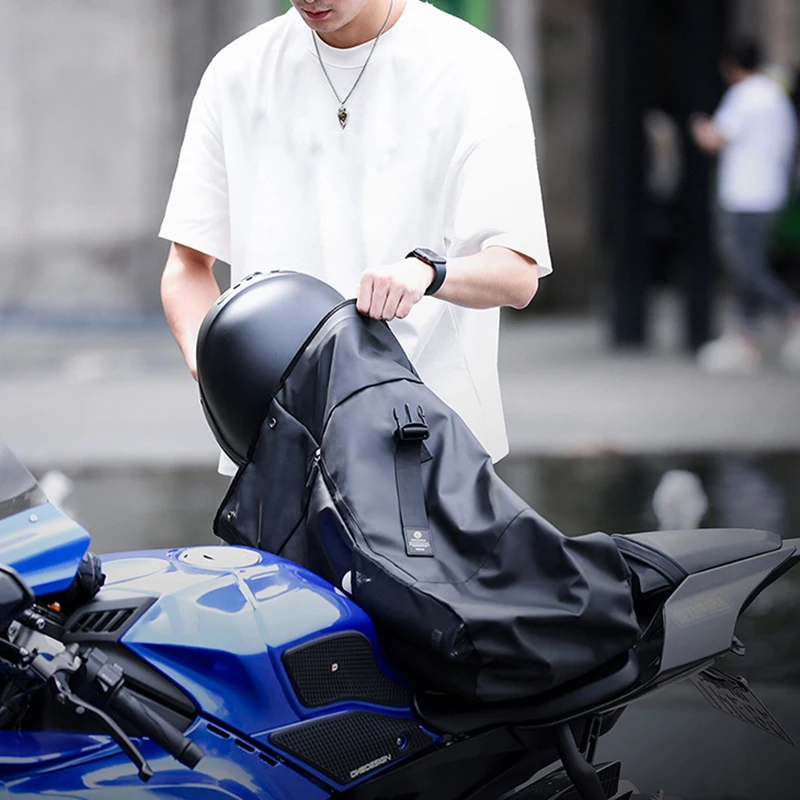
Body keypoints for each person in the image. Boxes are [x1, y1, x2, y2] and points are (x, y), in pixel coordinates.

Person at [159, 0, 551, 475]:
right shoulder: (237, 72)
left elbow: (516, 273)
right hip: (275, 450)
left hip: (430, 448)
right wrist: (219, 370)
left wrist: (426, 272)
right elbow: (187, 264)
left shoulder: (474, 65)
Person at [690, 38, 799, 373]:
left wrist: (699, 127)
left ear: (729, 67)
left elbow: (715, 139)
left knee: (747, 266)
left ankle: (791, 314)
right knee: (750, 265)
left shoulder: (744, 95)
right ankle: (746, 338)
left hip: (745, 195)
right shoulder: (775, 95)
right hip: (770, 191)